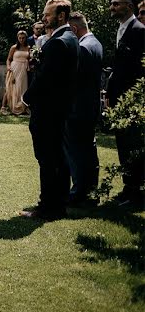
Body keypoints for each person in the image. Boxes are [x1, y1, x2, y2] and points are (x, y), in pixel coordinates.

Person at [21, 0, 79, 220]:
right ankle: (58, 204)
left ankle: (48, 207)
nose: (44, 18)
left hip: (48, 110)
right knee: (58, 157)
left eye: (48, 14)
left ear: (61, 16)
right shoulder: (70, 38)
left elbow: (45, 78)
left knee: (47, 159)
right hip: (61, 108)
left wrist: (27, 98)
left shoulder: (57, 43)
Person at [106, 0, 145, 208]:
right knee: (123, 144)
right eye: (112, 4)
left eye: (116, 4)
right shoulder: (121, 29)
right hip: (120, 99)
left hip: (132, 100)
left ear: (128, 7)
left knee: (132, 145)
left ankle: (136, 193)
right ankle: (127, 188)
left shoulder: (139, 31)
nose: (112, 7)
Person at [64, 12, 103, 205]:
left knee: (77, 151)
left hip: (79, 108)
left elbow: (76, 82)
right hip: (90, 106)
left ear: (74, 29)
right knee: (89, 149)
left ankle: (79, 191)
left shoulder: (83, 48)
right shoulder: (96, 43)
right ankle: (91, 190)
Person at [3, 30, 31, 115]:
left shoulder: (28, 48)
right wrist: (8, 67)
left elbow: (29, 59)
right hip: (14, 68)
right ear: (17, 38)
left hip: (23, 69)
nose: (21, 40)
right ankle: (4, 107)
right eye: (20, 38)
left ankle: (22, 107)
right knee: (11, 87)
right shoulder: (14, 47)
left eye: (23, 38)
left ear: (26, 38)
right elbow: (8, 59)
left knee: (22, 88)